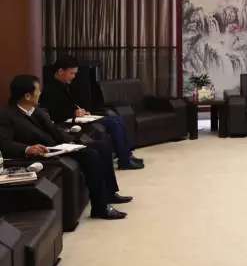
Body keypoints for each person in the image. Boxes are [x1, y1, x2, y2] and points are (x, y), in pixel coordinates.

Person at [0, 75, 131, 219]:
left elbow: (55, 131)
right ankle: (99, 207)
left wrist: (74, 142)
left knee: (102, 147)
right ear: (27, 96)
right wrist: (27, 149)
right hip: (43, 153)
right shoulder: (6, 114)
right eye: (37, 90)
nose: (40, 93)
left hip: (58, 146)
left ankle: (110, 193)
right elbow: (5, 143)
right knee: (90, 155)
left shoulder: (36, 110)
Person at [39, 56, 144, 170]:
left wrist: (79, 110)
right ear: (60, 71)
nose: (73, 76)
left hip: (78, 117)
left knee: (117, 119)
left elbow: (71, 104)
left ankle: (127, 155)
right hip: (67, 122)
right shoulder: (50, 89)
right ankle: (124, 160)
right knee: (113, 123)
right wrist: (74, 113)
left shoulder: (66, 85)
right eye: (71, 73)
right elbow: (54, 114)